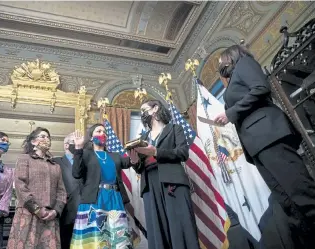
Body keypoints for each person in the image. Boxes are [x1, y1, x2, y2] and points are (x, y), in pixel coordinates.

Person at [214, 44, 315, 248]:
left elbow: (261, 88)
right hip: (256, 146)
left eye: (221, 61)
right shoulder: (232, 80)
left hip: (270, 136)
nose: (219, 66)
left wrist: (230, 113)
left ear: (231, 57)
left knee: (300, 191)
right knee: (288, 204)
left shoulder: (244, 64)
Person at [132, 99, 200, 249]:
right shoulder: (142, 139)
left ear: (155, 108)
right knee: (157, 229)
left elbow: (182, 153)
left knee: (181, 225)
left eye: (144, 109)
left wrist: (156, 152)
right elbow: (139, 168)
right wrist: (135, 160)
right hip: (150, 185)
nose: (142, 113)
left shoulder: (175, 129)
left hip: (173, 181)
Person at [70, 124, 139, 249]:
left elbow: (129, 161)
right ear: (91, 137)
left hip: (115, 198)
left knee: (118, 238)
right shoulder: (85, 154)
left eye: (105, 132)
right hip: (94, 199)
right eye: (99, 131)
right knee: (95, 237)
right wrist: (78, 148)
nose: (103, 134)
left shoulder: (115, 156)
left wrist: (134, 160)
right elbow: (76, 174)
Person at [7, 127, 67, 249]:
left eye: (48, 137)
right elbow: (20, 185)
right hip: (28, 214)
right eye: (43, 136)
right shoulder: (24, 159)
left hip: (50, 216)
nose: (47, 139)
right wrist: (37, 209)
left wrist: (55, 211)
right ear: (33, 141)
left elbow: (61, 191)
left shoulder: (55, 166)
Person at [53, 133, 82, 249]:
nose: (78, 144)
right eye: (74, 141)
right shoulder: (55, 162)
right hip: (65, 212)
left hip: (86, 211)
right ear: (66, 145)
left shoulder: (85, 161)